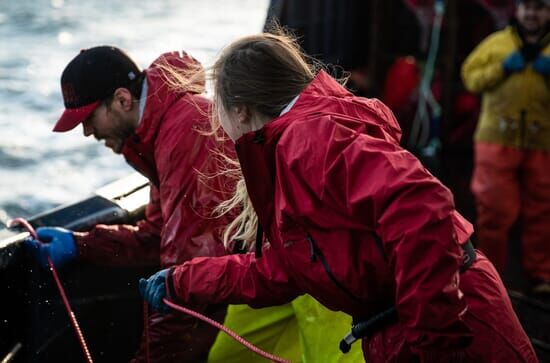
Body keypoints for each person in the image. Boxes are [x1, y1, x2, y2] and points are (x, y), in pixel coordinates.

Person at [140, 31, 538, 362]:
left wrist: (434, 341)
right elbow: (286, 269)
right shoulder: (301, 140)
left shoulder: (308, 139)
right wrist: (184, 281)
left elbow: (420, 203)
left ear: (241, 111)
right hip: (412, 328)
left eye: (220, 111)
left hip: (454, 328)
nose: (219, 123)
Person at [26, 46, 233, 363]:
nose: (87, 132)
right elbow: (157, 237)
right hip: (261, 275)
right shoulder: (162, 132)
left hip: (297, 280)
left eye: (89, 117)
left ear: (123, 99)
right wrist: (82, 246)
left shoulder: (186, 132)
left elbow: (186, 276)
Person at [461, 0, 550, 294]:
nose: (532, 14)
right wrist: (501, 69)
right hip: (495, 141)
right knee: (495, 210)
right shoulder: (497, 45)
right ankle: (492, 277)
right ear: (518, 11)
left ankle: (541, 276)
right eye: (527, 7)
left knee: (543, 211)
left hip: (542, 143)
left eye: (540, 8)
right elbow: (470, 78)